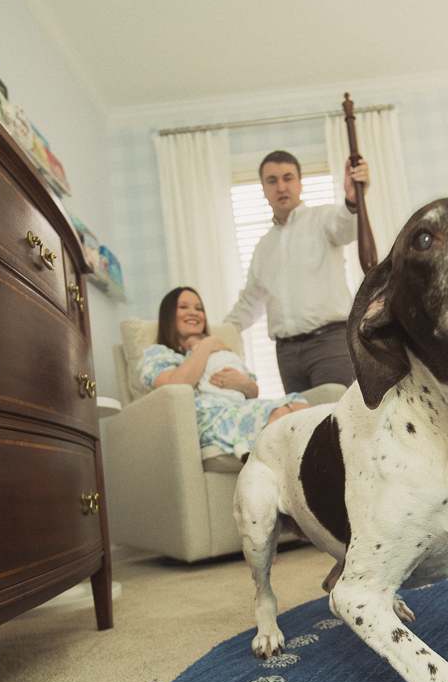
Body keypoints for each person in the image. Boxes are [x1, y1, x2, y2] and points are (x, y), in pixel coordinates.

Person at [223, 150, 371, 393]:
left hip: (331, 345)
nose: (281, 186)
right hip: (286, 355)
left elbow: (348, 228)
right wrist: (217, 334)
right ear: (263, 188)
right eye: (272, 180)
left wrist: (354, 200)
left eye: (288, 178)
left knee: (338, 418)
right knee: (303, 425)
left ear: (300, 183)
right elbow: (250, 302)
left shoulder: (324, 218)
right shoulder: (262, 248)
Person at [139, 286, 310, 459]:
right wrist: (206, 345)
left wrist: (242, 383)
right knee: (277, 413)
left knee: (300, 406)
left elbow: (253, 392)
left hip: (235, 408)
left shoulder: (220, 352)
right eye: (183, 307)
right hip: (206, 421)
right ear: (168, 315)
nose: (194, 313)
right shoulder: (158, 353)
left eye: (199, 309)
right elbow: (174, 387)